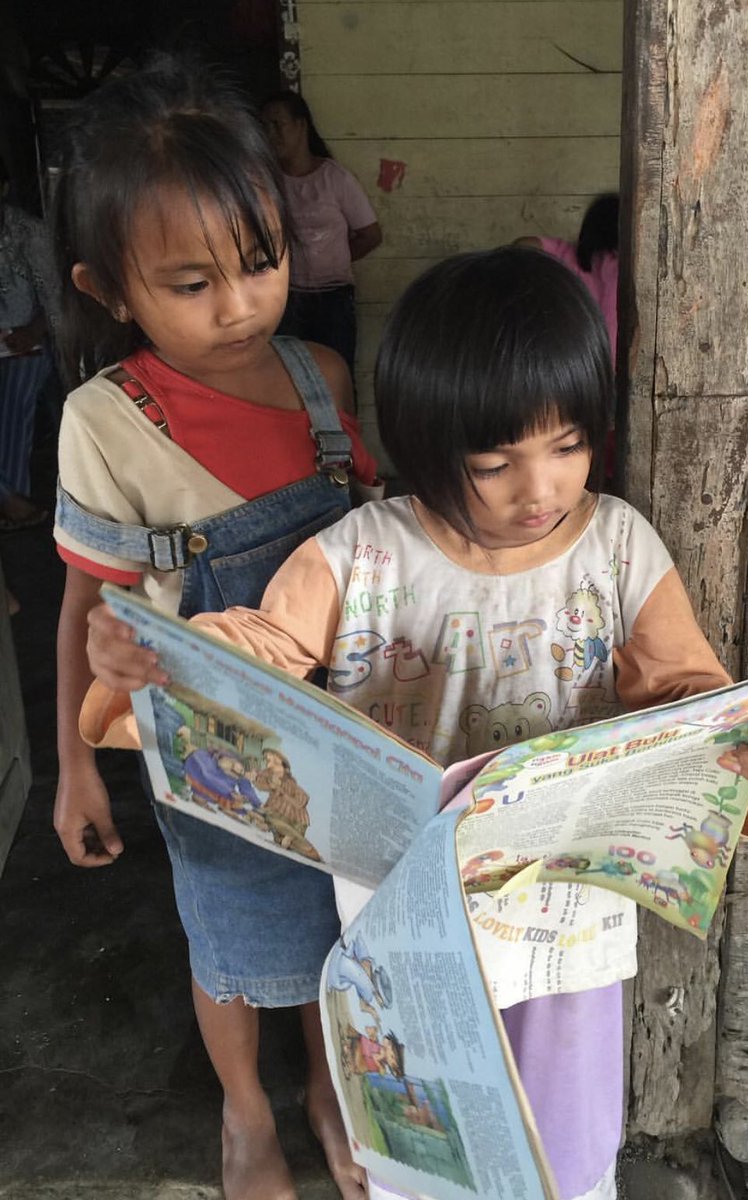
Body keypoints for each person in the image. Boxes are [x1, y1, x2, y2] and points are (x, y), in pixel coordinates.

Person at [84, 246, 748, 1200]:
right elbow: (257, 651)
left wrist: (744, 747)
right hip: (403, 935)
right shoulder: (358, 554)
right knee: (423, 1157)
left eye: (567, 446)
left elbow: (685, 693)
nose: (540, 490)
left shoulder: (618, 547)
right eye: (494, 463)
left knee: (564, 1162)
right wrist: (158, 661)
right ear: (427, 447)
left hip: (563, 934)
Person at [50, 56, 379, 1200]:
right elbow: (84, 602)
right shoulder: (104, 422)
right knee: (234, 934)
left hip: (342, 730)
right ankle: (245, 1110)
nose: (239, 304)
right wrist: (73, 767)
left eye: (261, 261)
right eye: (191, 283)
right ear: (108, 288)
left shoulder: (323, 377)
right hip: (207, 747)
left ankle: (330, 1091)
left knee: (340, 926)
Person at [261, 91, 382, 390]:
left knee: (336, 378)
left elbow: (370, 235)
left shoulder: (335, 178)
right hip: (286, 297)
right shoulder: (267, 182)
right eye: (265, 126)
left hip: (333, 299)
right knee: (289, 380)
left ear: (301, 125)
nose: (271, 134)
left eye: (278, 124)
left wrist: (333, 259)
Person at [0, 155, 58, 532]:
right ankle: (11, 501)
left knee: (13, 415)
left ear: (4, 188)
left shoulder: (28, 233)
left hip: (24, 344)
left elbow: (54, 299)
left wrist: (33, 333)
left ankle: (13, 499)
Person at [515, 192, 619, 368]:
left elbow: (524, 245)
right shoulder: (625, 266)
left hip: (574, 367)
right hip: (615, 370)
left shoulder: (569, 257)